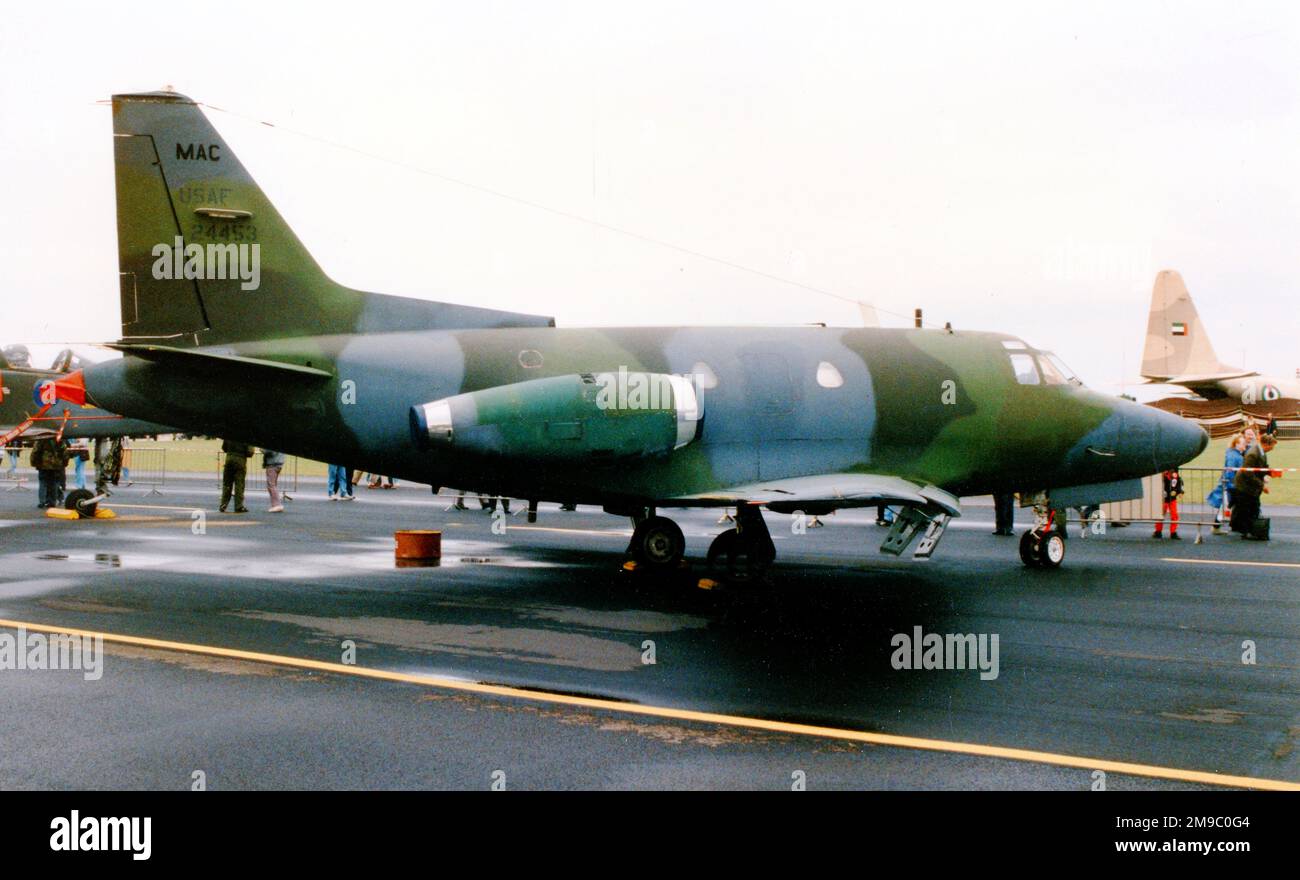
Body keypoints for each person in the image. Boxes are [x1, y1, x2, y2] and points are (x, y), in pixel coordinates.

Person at [1231, 434, 1278, 540]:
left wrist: (1271, 472)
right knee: (1248, 508)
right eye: (1272, 447)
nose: (1272, 449)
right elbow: (1248, 473)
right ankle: (1246, 531)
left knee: (1250, 507)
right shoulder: (1253, 453)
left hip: (1251, 485)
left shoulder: (1262, 452)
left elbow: (1261, 467)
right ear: (1266, 444)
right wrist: (1262, 486)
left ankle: (1246, 529)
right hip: (1244, 485)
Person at [1207, 433, 1246, 531]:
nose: (1244, 445)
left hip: (1231, 485)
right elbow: (1230, 471)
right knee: (1227, 505)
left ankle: (1217, 526)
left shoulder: (1234, 454)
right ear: (1236, 444)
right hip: (1231, 485)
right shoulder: (1234, 456)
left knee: (1226, 506)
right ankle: (1234, 527)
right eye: (1243, 443)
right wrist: (1231, 485)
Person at [30, 437, 68, 509]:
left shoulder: (41, 439)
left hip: (43, 464)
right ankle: (52, 502)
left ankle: (42, 501)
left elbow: (35, 451)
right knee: (54, 483)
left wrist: (34, 462)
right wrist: (64, 463)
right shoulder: (59, 439)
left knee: (43, 482)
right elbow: (64, 452)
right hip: (56, 465)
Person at [219, 439, 254, 513]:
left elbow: (224, 447)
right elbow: (250, 452)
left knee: (227, 483)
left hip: (229, 459)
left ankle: (223, 504)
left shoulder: (229, 434)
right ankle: (238, 506)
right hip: (240, 461)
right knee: (239, 484)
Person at [1152, 469, 1184, 539]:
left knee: (1174, 515)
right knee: (1160, 515)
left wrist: (1181, 491)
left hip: (1172, 499)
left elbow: (1180, 483)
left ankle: (1173, 532)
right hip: (1163, 499)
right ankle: (1158, 531)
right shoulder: (1162, 475)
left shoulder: (1175, 475)